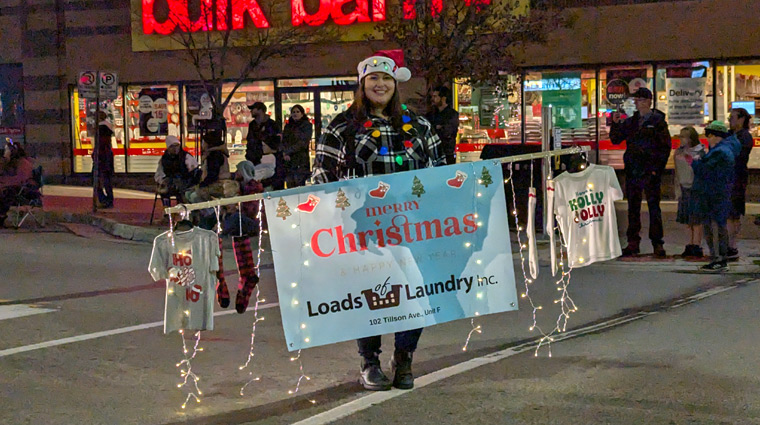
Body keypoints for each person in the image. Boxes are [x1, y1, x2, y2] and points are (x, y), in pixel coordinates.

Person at [311, 51, 446, 391]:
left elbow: (439, 174)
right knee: (371, 296)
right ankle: (369, 361)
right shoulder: (342, 127)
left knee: (417, 295)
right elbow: (321, 178)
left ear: (395, 83)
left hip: (412, 228)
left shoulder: (419, 126)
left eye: (386, 78)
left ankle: (404, 358)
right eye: (373, 79)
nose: (380, 84)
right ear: (362, 84)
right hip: (363, 230)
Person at [610, 87, 672, 258]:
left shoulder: (658, 121)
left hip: (650, 171)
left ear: (647, 101)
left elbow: (665, 147)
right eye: (635, 100)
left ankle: (657, 242)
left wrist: (656, 169)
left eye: (638, 100)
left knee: (654, 208)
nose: (636, 103)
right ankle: (633, 242)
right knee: (633, 208)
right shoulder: (632, 122)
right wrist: (615, 124)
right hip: (634, 170)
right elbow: (616, 139)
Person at [691, 121, 741, 272]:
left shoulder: (720, 152)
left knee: (714, 226)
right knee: (717, 225)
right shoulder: (725, 149)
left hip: (714, 193)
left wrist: (696, 160)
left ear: (715, 135)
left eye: (709, 135)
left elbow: (705, 170)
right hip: (718, 192)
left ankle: (718, 258)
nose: (708, 139)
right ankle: (718, 257)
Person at [673, 126, 706, 258]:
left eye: (684, 137)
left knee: (696, 219)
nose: (681, 139)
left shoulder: (699, 152)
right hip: (683, 187)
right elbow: (676, 171)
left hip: (695, 188)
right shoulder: (678, 152)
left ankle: (697, 244)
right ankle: (690, 243)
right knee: (687, 219)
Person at [726, 107, 754, 259]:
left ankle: (732, 244)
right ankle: (728, 243)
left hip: (737, 177)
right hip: (727, 177)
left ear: (742, 119)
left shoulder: (744, 137)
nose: (731, 120)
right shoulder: (730, 134)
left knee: (733, 211)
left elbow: (739, 156)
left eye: (733, 117)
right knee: (728, 211)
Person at [185, 130, 238, 204]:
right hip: (219, 184)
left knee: (193, 196)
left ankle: (209, 212)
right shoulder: (214, 154)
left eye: (204, 142)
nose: (202, 144)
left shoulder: (215, 156)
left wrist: (200, 185)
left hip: (219, 186)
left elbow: (212, 175)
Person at [245, 101, 284, 190]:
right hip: (255, 160)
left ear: (260, 110)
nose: (251, 112)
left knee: (270, 185)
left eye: (253, 109)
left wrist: (264, 137)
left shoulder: (272, 124)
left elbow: (276, 142)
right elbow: (250, 141)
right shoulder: (252, 125)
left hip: (269, 160)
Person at [154, 135, 199, 207]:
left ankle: (181, 211)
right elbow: (159, 174)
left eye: (177, 146)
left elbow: (194, 172)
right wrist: (162, 181)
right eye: (172, 146)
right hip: (171, 184)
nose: (175, 148)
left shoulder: (186, 157)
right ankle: (167, 212)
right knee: (164, 192)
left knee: (181, 191)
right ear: (168, 148)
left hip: (185, 183)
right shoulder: (164, 159)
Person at [0, 140, 36, 226]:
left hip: (24, 191)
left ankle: (1, 215)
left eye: (6, 150)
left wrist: (4, 183)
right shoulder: (11, 163)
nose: (5, 152)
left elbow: (20, 180)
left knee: (5, 193)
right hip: (12, 187)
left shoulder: (23, 163)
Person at [426, 85, 459, 165]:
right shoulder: (431, 114)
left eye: (435, 96)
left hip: (447, 153)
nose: (432, 99)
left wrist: (436, 128)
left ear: (443, 98)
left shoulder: (452, 114)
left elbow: (447, 132)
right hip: (433, 153)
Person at [282, 104, 313, 188]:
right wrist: (285, 153)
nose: (295, 114)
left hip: (300, 160)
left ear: (302, 113)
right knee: (290, 185)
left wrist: (288, 151)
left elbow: (303, 142)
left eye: (297, 112)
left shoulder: (306, 125)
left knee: (299, 185)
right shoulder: (288, 126)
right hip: (289, 162)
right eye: (293, 112)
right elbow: (284, 141)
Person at [93, 122, 115, 209]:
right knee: (106, 183)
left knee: (102, 182)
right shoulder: (106, 144)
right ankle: (106, 200)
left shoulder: (102, 144)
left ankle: (104, 200)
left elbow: (100, 153)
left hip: (102, 163)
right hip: (105, 163)